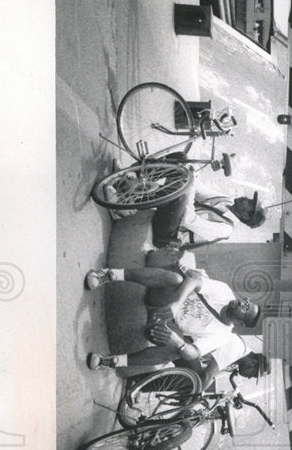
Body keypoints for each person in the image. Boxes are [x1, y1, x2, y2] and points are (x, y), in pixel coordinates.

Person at [84, 267, 268, 383]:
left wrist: (178, 343)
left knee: (177, 350)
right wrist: (176, 304)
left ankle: (111, 361)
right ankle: (108, 275)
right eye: (246, 300)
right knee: (176, 280)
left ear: (240, 322)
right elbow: (194, 281)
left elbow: (195, 352)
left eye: (246, 308)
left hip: (164, 323)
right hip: (165, 298)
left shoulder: (223, 335)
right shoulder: (225, 292)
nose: (242, 302)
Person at [149, 162, 265, 248]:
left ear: (245, 215)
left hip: (169, 232)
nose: (246, 198)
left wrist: (190, 186)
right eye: (250, 199)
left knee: (181, 193)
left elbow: (188, 220)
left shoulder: (225, 228)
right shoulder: (226, 201)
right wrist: (195, 173)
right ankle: (140, 174)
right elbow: (200, 191)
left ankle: (138, 196)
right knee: (181, 162)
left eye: (249, 203)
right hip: (174, 213)